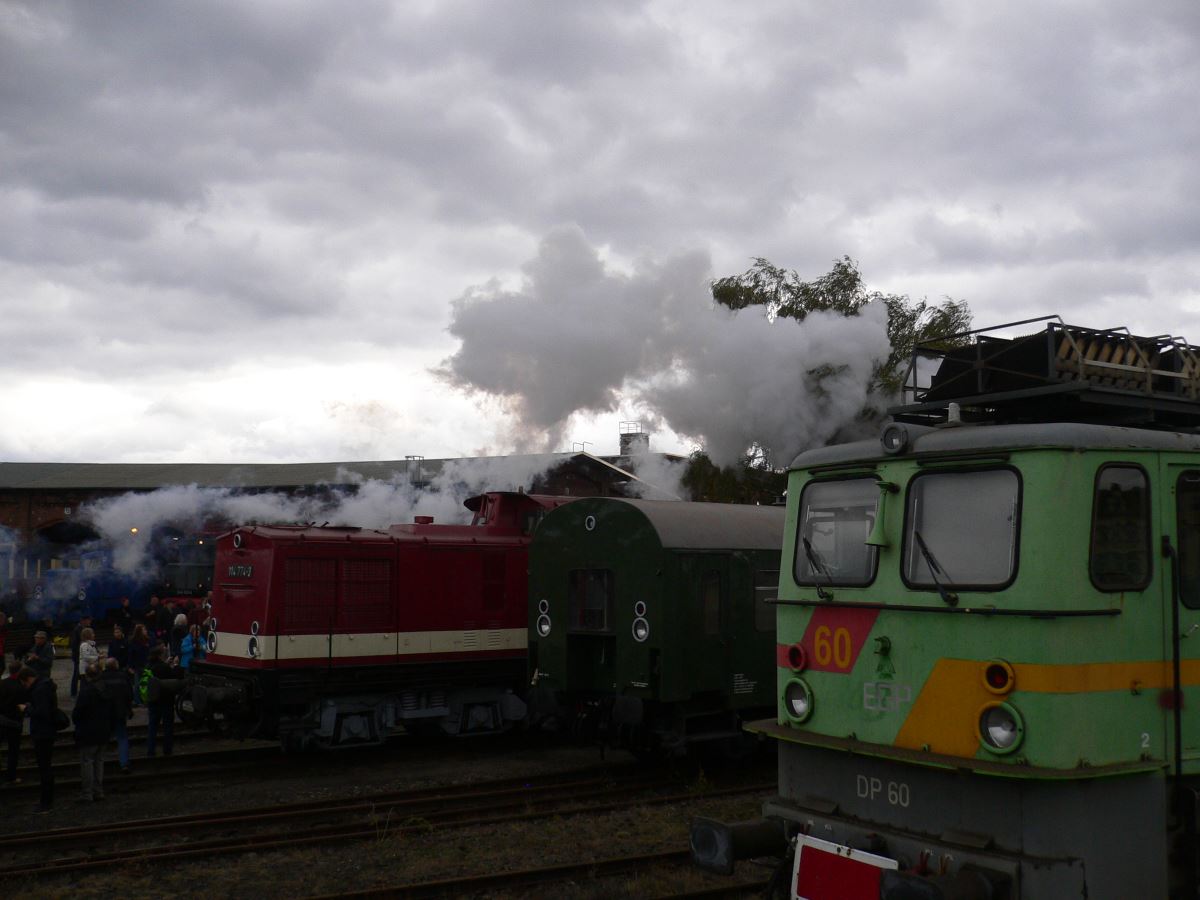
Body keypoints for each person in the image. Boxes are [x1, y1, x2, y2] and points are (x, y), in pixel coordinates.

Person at [72, 662, 112, 802]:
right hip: (104, 730)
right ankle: (98, 791)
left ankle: (87, 793)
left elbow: (78, 713)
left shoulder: (86, 691)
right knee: (99, 761)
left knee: (87, 761)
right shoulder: (106, 688)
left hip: (88, 731)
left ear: (87, 676)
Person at [26, 665, 57, 813]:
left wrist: (27, 709)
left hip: (42, 732)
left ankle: (46, 801)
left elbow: (41, 712)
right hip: (47, 731)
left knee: (44, 767)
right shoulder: (46, 686)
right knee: (46, 766)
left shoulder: (39, 690)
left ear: (28, 679)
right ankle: (47, 800)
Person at [145, 646, 180, 758]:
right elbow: (175, 679)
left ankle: (150, 750)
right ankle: (167, 749)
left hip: (153, 700)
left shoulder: (149, 666)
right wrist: (175, 665)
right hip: (166, 701)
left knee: (152, 726)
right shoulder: (164, 667)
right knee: (168, 726)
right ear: (160, 655)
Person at [101, 658, 133, 774]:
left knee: (102, 738)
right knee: (122, 737)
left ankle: (99, 762)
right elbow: (129, 694)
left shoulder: (101, 677)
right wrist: (129, 709)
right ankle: (124, 763)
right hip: (120, 711)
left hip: (105, 713)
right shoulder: (123, 677)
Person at [0, 661, 29, 784]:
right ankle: (11, 776)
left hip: (2, 720)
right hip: (15, 722)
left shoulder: (2, 683)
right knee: (13, 751)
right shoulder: (21, 687)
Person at [69, 614, 93, 698]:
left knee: (82, 675)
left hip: (82, 656)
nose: (90, 622)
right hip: (79, 657)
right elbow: (74, 645)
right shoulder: (77, 630)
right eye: (89, 620)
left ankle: (79, 692)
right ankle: (74, 693)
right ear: (83, 621)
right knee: (77, 675)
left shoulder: (83, 629)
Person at [128, 624, 150, 708]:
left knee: (146, 683)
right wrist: (130, 666)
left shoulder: (147, 640)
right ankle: (137, 700)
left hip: (146, 664)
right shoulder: (134, 642)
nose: (146, 631)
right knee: (137, 684)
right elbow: (131, 654)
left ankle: (145, 700)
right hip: (137, 665)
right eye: (144, 630)